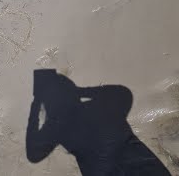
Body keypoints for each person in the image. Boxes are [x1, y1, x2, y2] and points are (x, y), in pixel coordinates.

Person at [26, 69, 170, 176]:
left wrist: (35, 105)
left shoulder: (57, 128)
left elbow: (33, 155)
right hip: (146, 168)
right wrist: (80, 91)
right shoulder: (101, 107)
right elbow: (123, 92)